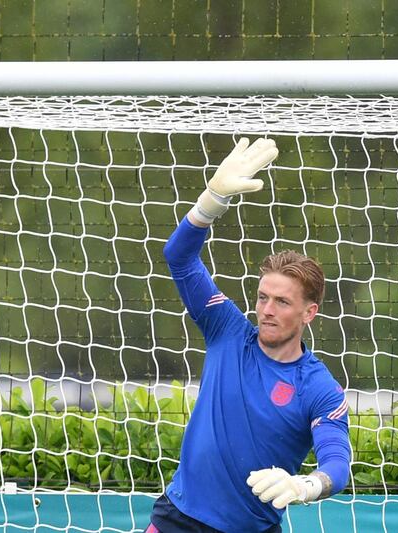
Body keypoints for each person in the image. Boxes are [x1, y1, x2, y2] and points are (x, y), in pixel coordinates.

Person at [146, 138, 351, 533]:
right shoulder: (227, 329)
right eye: (262, 297)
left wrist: (306, 485)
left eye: (282, 302)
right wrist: (212, 199)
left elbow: (337, 462)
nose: (267, 309)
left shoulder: (319, 387)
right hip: (177, 520)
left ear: (310, 312)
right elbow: (179, 257)